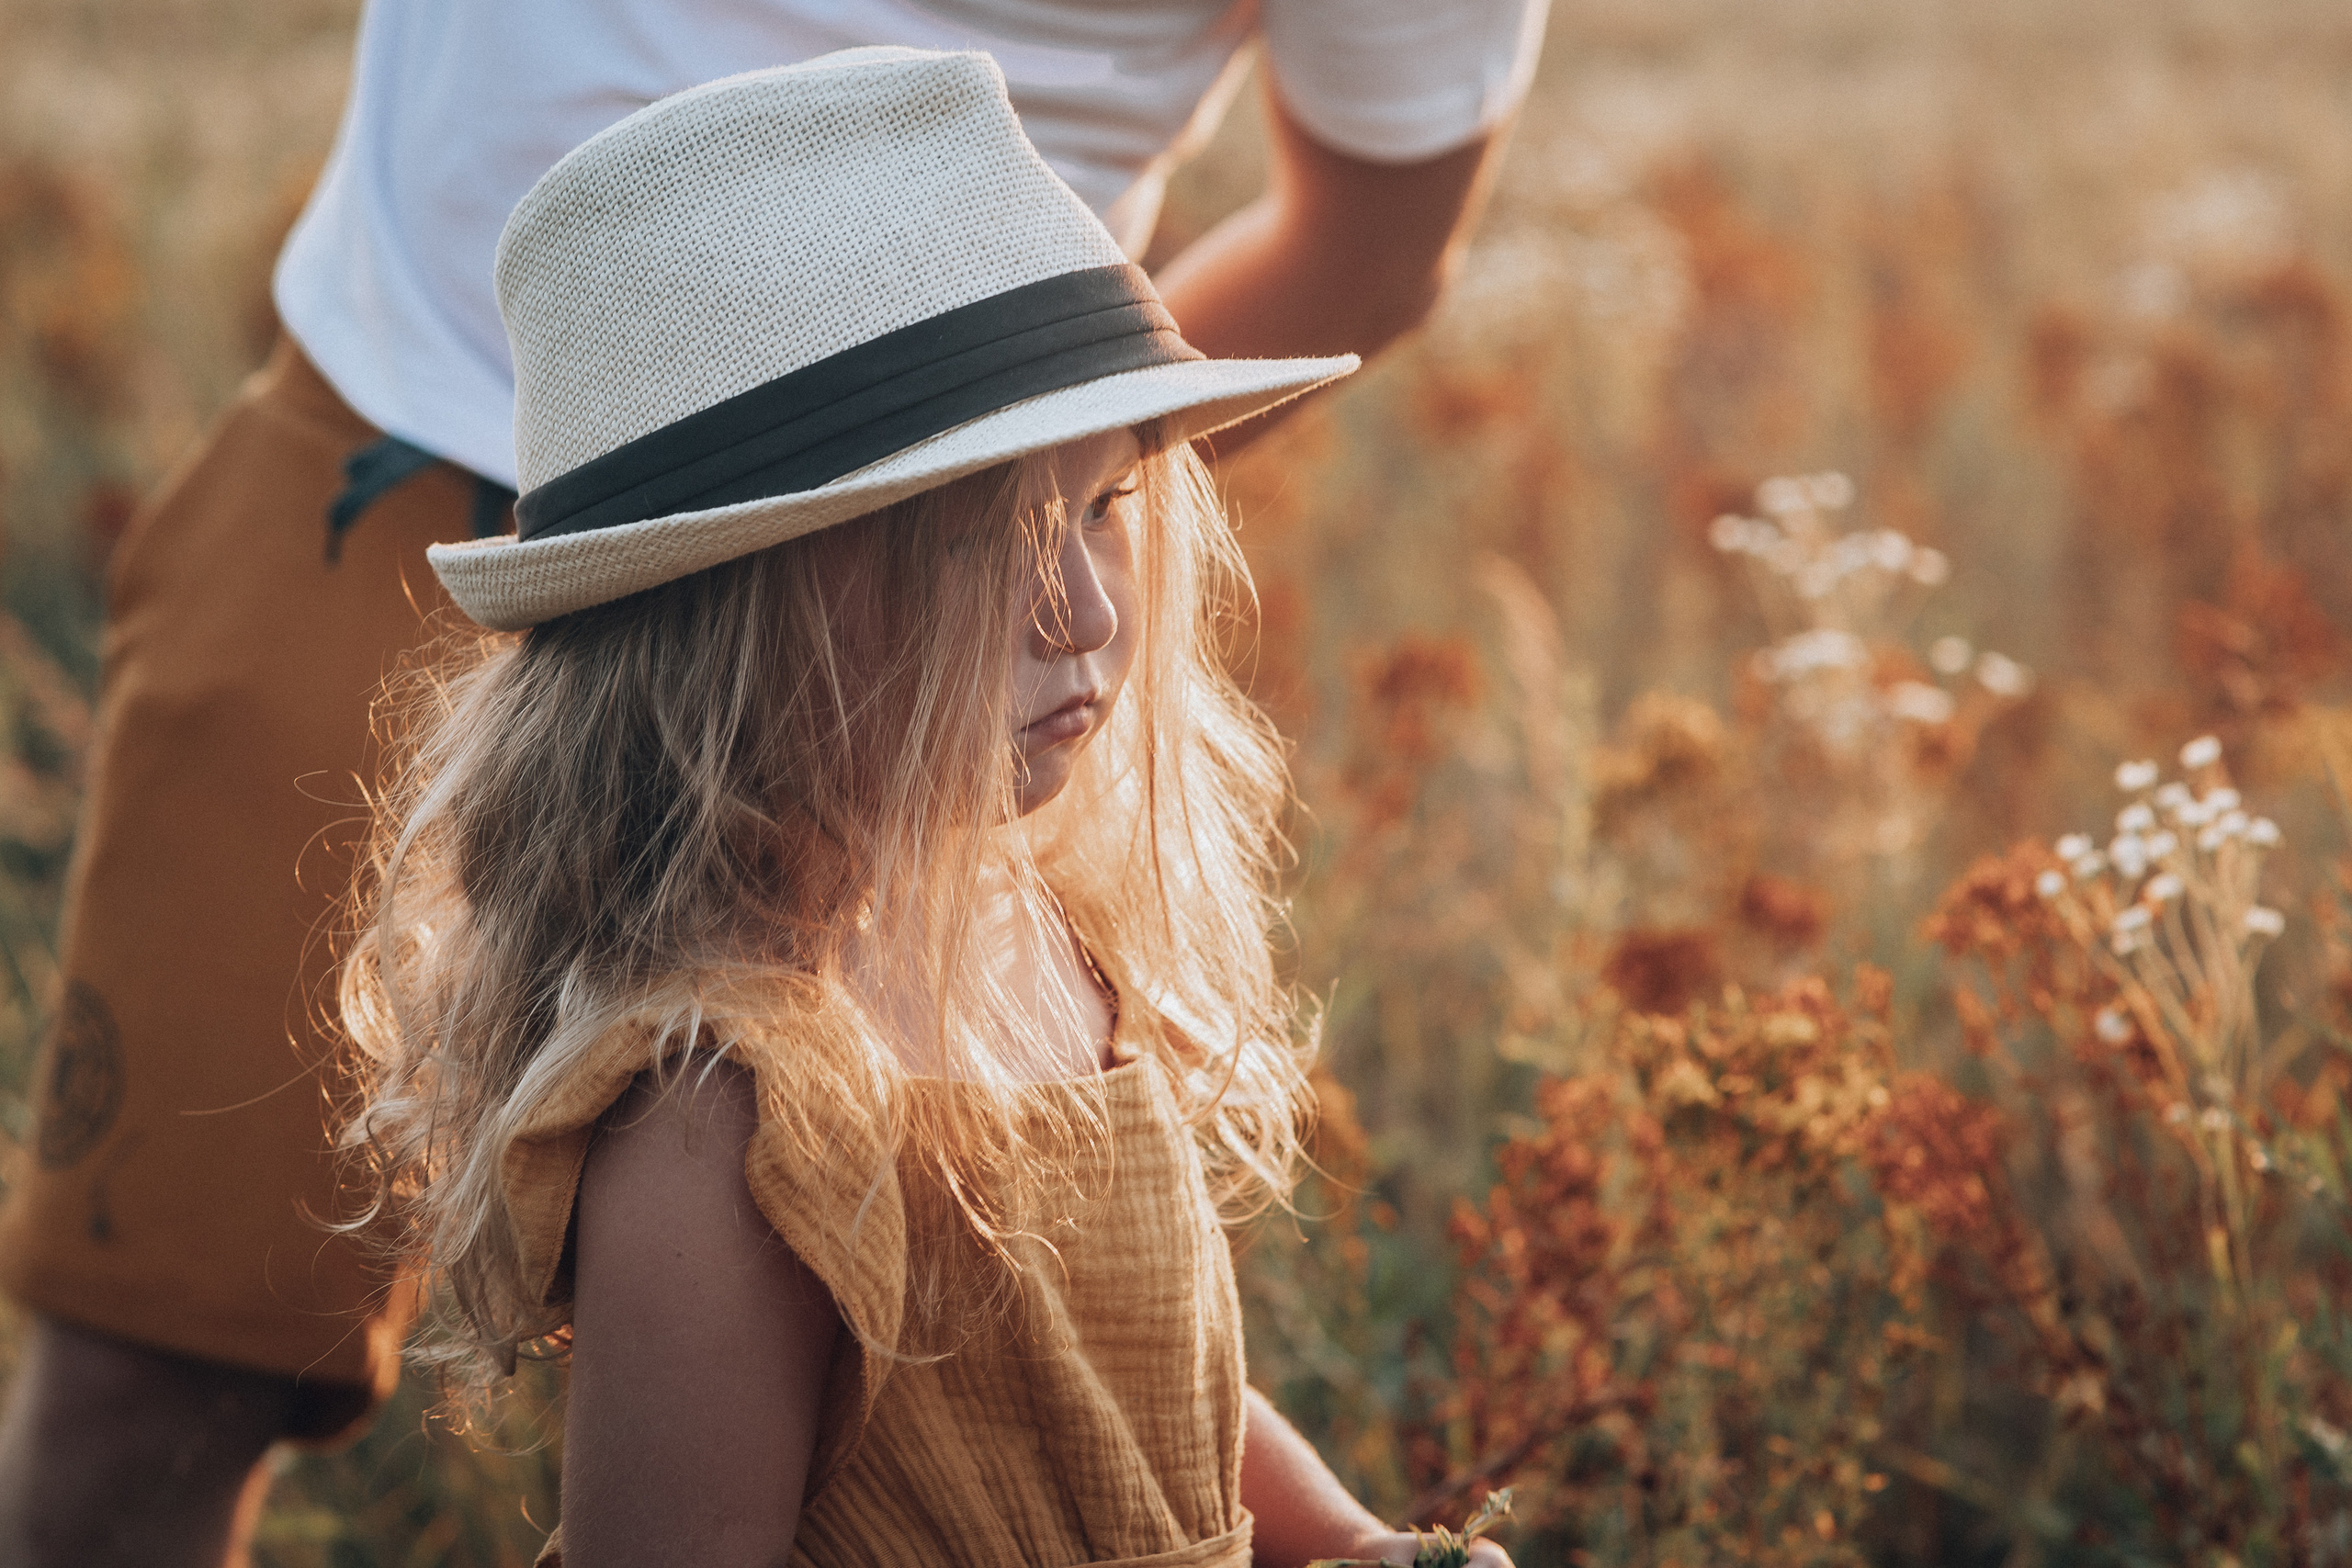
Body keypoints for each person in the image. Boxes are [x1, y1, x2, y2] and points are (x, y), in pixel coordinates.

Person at [0, 1, 1544, 1564]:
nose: (1087, 616)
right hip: (399, 415)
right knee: (151, 1358)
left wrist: (1352, 1545)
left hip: (950, 357)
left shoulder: (1023, 934)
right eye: (986, 546)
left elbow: (1100, 1371)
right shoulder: (720, 1126)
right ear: (749, 651)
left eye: (1109, 506)